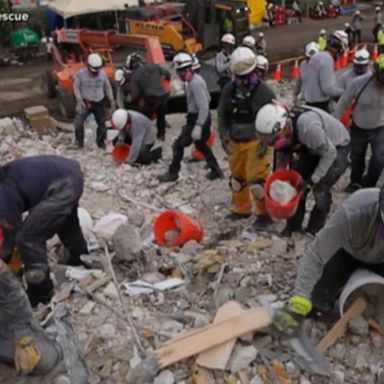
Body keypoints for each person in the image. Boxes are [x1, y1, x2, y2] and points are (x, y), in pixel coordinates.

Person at [274, 185, 384, 335]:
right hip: (347, 253)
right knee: (318, 303)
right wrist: (300, 298)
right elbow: (315, 255)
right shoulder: (354, 212)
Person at [0, 156, 88, 308]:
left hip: (63, 184)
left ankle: (41, 292)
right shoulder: (7, 178)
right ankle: (80, 258)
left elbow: (12, 230)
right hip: (69, 174)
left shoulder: (3, 197)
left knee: (28, 239)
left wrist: (6, 258)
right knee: (67, 223)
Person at [255, 102, 350, 236]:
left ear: (285, 126)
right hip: (310, 146)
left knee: (320, 189)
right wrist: (279, 179)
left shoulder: (308, 128)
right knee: (297, 184)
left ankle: (315, 228)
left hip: (336, 146)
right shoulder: (283, 134)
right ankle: (293, 227)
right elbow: (282, 153)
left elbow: (329, 153)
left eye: (274, 139)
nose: (272, 143)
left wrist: (313, 180)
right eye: (269, 141)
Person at [217, 47, 275, 230]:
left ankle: (264, 214)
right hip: (235, 140)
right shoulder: (229, 91)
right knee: (238, 179)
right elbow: (222, 114)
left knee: (256, 181)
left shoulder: (264, 92)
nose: (243, 81)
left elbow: (275, 118)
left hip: (256, 141)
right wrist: (224, 136)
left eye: (246, 76)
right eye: (239, 77)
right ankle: (242, 210)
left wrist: (266, 143)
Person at [158, 52, 223, 182]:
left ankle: (173, 173)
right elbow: (208, 98)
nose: (179, 75)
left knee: (178, 146)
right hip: (198, 118)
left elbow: (204, 106)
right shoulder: (193, 81)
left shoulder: (195, 83)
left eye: (180, 71)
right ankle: (216, 170)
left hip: (198, 118)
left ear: (188, 69)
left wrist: (198, 125)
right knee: (201, 145)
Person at [0, 259, 63, 376]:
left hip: (9, 325)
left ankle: (53, 340)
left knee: (45, 360)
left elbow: (13, 301)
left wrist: (22, 335)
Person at [334, 55, 384, 193]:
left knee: (379, 159)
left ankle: (369, 185)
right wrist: (334, 122)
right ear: (376, 73)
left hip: (380, 128)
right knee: (357, 158)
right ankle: (355, 182)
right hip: (359, 127)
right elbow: (343, 102)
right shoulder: (359, 83)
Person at [73, 53, 115, 149]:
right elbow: (76, 87)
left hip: (99, 102)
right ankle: (79, 142)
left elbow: (107, 87)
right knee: (78, 123)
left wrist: (112, 100)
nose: (95, 73)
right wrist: (79, 100)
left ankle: (101, 143)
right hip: (86, 102)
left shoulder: (103, 74)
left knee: (102, 124)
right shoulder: (80, 74)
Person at [127, 53, 171, 141]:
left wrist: (130, 101)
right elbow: (167, 74)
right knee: (160, 116)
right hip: (163, 95)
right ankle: (161, 135)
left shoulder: (135, 76)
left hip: (151, 98)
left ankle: (142, 137)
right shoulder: (154, 66)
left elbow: (135, 95)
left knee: (143, 118)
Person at [303, 30, 348, 111]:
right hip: (320, 105)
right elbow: (328, 89)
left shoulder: (316, 56)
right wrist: (346, 93)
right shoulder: (327, 60)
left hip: (309, 101)